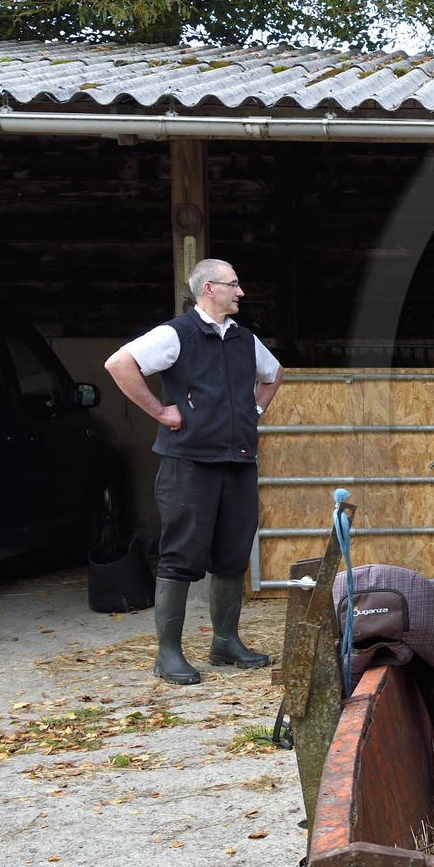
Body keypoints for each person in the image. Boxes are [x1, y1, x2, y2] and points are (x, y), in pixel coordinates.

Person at [104, 259, 282, 685]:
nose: (240, 292)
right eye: (233, 285)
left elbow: (274, 375)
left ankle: (225, 642)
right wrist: (160, 412)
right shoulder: (175, 334)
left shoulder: (243, 340)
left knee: (233, 553)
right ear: (208, 289)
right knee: (181, 554)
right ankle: (168, 655)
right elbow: (118, 364)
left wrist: (252, 411)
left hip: (237, 460)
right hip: (188, 463)